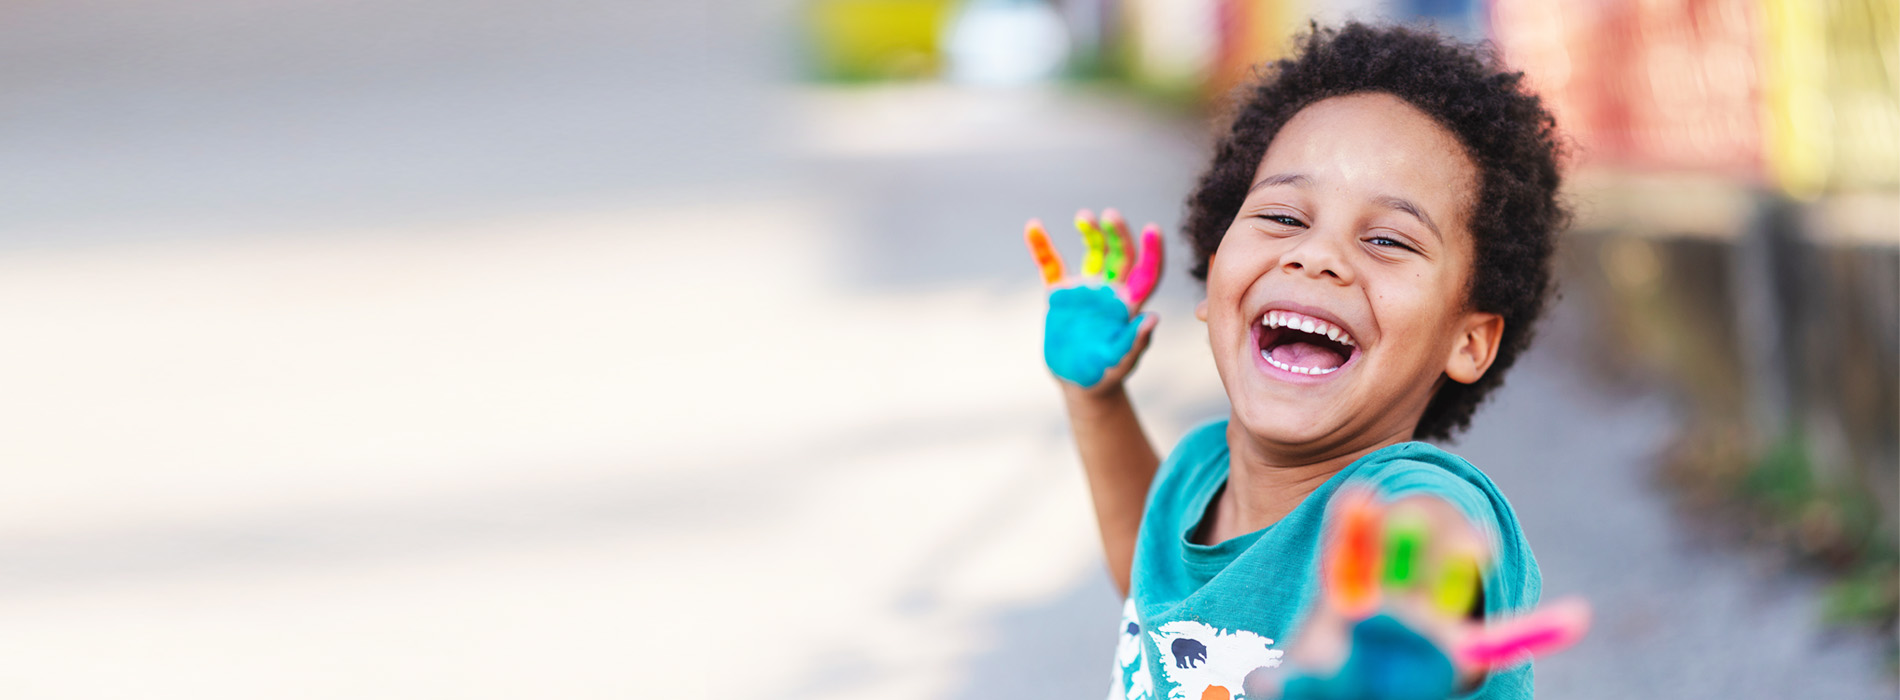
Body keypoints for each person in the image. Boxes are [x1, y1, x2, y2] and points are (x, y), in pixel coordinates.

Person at [1023, 22, 1587, 700]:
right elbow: (1147, 576)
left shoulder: (1415, 496)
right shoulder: (1197, 472)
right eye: (1285, 218)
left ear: (1467, 342)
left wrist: (1395, 630)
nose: (1317, 255)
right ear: (1214, 276)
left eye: (1386, 239)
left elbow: (1429, 540)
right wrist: (1095, 399)